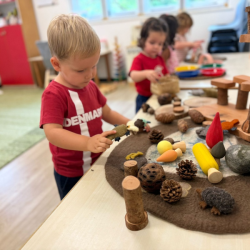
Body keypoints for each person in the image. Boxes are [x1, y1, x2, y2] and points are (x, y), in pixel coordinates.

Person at [40, 14, 137, 200]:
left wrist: (131, 123)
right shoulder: (54, 94)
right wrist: (86, 143)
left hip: (98, 161)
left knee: (99, 203)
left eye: (93, 66)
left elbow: (106, 112)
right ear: (57, 64)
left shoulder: (90, 86)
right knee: (76, 210)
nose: (90, 75)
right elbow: (52, 132)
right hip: (70, 172)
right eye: (81, 70)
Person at [129, 17, 169, 113]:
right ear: (143, 41)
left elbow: (167, 74)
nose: (156, 46)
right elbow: (133, 75)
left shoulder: (159, 59)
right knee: (142, 123)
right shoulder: (139, 59)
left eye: (160, 44)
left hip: (159, 96)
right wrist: (146, 73)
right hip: (144, 99)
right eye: (152, 42)